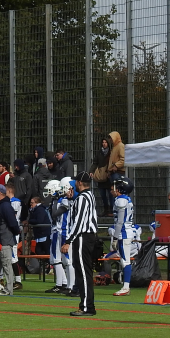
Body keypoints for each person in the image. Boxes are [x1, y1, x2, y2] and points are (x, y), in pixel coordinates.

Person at [65, 171, 98, 316]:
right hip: (86, 236)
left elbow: (79, 222)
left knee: (83, 272)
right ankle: (87, 305)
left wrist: (68, 241)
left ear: (79, 183)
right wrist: (71, 200)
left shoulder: (83, 198)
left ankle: (86, 307)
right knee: (84, 271)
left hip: (82, 237)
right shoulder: (89, 196)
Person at [0, 184, 19, 296]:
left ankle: (8, 289)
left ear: (0, 193)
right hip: (0, 240)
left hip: (5, 240)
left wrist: (14, 233)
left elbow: (12, 223)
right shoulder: (2, 205)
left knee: (6, 266)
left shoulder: (5, 206)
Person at [109, 176, 135, 296]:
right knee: (124, 260)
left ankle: (126, 287)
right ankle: (125, 286)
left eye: (115, 187)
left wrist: (115, 237)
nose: (112, 189)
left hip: (123, 233)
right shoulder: (126, 199)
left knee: (125, 261)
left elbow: (120, 222)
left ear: (120, 188)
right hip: (125, 232)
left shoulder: (121, 200)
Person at [91, 135, 115, 215]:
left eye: (105, 142)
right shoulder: (99, 153)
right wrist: (91, 171)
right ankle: (106, 209)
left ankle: (111, 210)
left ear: (108, 143)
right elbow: (95, 163)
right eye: (103, 142)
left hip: (109, 176)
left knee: (111, 194)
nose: (104, 144)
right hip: (101, 176)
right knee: (102, 195)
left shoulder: (111, 152)